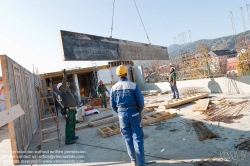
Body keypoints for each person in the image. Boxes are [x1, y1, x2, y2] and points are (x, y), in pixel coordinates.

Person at [110, 65, 145, 166]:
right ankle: (141, 163)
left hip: (121, 115)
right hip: (134, 113)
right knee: (137, 138)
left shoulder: (113, 88)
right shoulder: (133, 85)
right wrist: (139, 111)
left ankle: (133, 160)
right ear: (126, 74)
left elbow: (112, 105)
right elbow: (141, 102)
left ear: (118, 75)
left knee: (128, 138)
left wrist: (120, 113)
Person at [57, 69, 79, 145]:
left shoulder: (67, 92)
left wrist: (75, 108)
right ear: (61, 87)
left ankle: (72, 136)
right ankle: (68, 140)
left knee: (73, 124)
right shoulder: (63, 91)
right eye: (65, 84)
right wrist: (64, 76)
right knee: (69, 125)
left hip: (72, 110)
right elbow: (63, 84)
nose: (66, 85)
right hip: (68, 111)